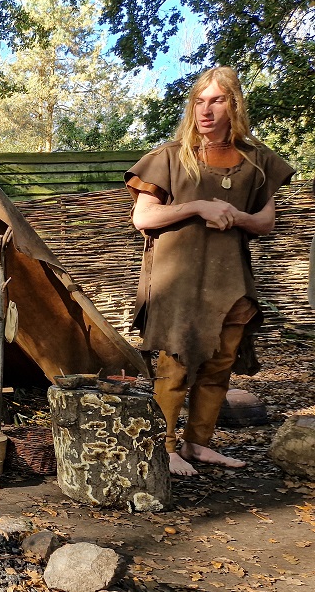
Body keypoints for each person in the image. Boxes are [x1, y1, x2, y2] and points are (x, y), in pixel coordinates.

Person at [125, 67, 295, 477]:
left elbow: (265, 222)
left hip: (231, 281)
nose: (206, 109)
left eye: (216, 100)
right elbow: (143, 217)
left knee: (220, 364)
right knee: (175, 365)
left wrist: (235, 215)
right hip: (178, 280)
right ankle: (164, 448)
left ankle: (198, 445)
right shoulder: (170, 156)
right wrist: (198, 207)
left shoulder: (257, 163)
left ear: (233, 104)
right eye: (199, 101)